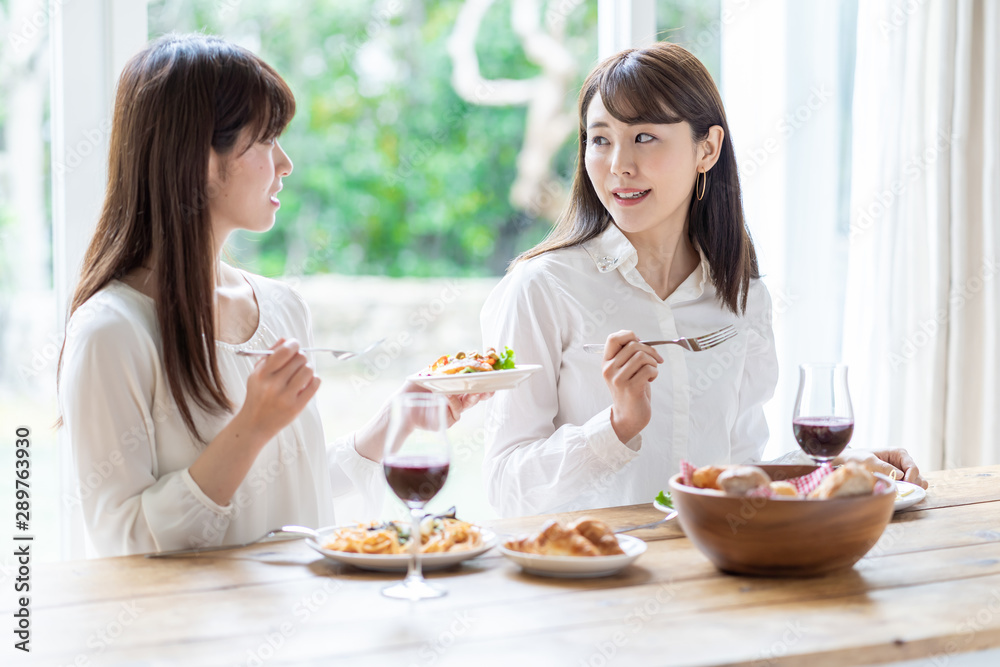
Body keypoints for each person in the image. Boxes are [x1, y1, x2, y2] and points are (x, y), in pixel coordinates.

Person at [57, 34, 483, 557]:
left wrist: (396, 421)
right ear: (200, 161)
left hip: (303, 625)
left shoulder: (281, 307)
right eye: (264, 141)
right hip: (190, 636)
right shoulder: (111, 332)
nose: (285, 163)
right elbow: (120, 542)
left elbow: (285, 499)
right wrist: (251, 427)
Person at [480, 42, 926, 518]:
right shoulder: (542, 288)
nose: (618, 166)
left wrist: (837, 467)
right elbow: (505, 487)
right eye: (601, 139)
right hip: (592, 573)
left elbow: (740, 472)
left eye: (645, 137)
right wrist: (616, 426)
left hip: (717, 573)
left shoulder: (743, 296)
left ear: (707, 149)